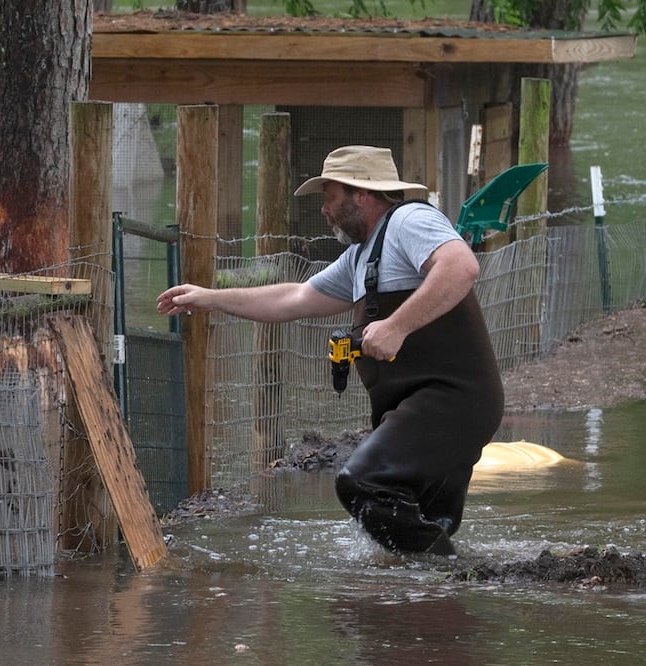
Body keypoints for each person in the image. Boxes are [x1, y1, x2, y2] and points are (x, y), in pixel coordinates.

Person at [156, 145, 504, 556]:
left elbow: (461, 266)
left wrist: (396, 325)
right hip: (422, 406)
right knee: (421, 527)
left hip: (453, 400)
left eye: (329, 195)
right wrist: (210, 298)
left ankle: (451, 577)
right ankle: (438, 601)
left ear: (362, 193)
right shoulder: (361, 257)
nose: (324, 209)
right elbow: (295, 298)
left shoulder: (412, 219)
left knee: (362, 483)